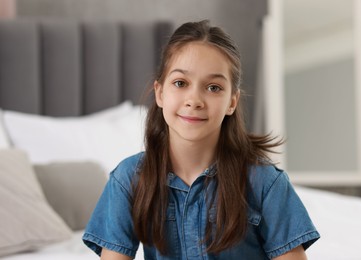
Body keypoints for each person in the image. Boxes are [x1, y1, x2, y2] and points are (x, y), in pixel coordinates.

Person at [82, 20, 320, 260]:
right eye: (180, 83)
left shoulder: (265, 183)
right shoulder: (128, 180)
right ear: (160, 93)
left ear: (232, 102)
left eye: (213, 87)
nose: (194, 99)